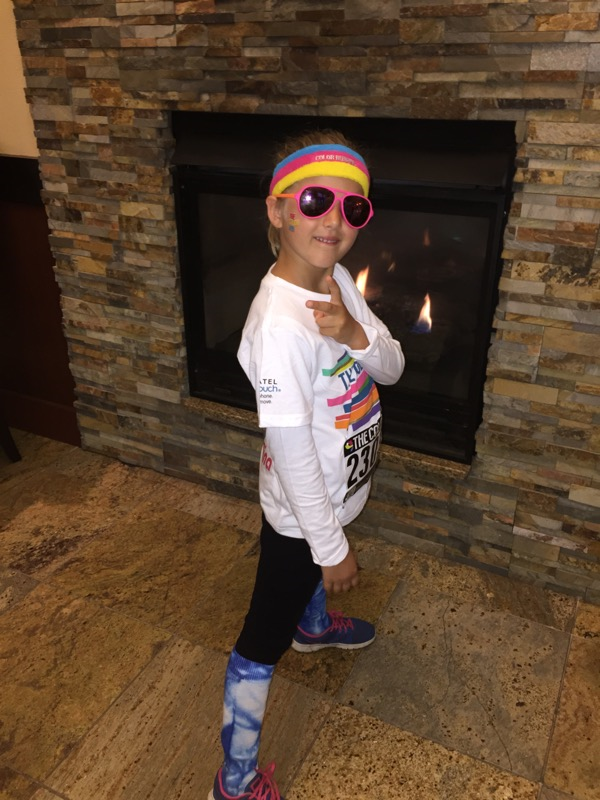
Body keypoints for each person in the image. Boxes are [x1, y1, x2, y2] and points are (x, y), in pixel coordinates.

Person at [209, 130, 405, 800]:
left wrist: (355, 333)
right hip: (302, 517)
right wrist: (330, 547)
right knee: (259, 640)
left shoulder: (338, 280)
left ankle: (314, 625)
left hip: (335, 490)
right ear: (278, 209)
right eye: (316, 200)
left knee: (301, 589)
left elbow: (392, 367)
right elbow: (292, 452)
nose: (334, 221)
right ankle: (235, 780)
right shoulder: (279, 328)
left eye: (354, 208)